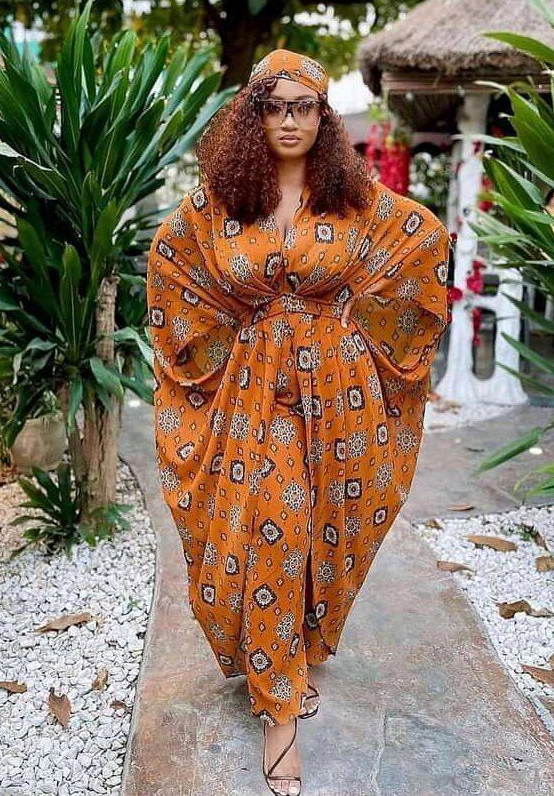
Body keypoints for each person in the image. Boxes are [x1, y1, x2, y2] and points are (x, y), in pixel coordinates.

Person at [146, 48, 451, 795]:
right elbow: (171, 264)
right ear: (254, 116)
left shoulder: (352, 199)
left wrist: (361, 316)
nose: (289, 121)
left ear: (323, 116)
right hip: (258, 398)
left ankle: (295, 645)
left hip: (342, 394)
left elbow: (421, 243)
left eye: (303, 107)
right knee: (273, 530)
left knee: (325, 530)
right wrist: (225, 334)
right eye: (275, 107)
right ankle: (279, 707)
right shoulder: (221, 202)